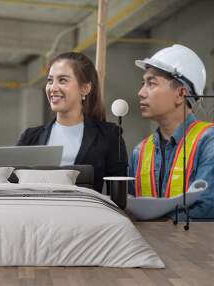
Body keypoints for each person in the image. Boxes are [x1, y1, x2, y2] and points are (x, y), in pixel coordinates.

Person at [17, 52, 127, 193]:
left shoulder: (109, 136)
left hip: (86, 213)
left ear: (85, 89)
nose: (53, 88)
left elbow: (119, 196)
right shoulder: (30, 137)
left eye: (62, 80)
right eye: (50, 80)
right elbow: (12, 184)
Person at [129, 44, 214, 219]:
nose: (141, 92)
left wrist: (151, 221)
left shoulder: (208, 142)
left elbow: (206, 208)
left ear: (180, 94)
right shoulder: (140, 151)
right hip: (148, 246)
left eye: (151, 83)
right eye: (142, 83)